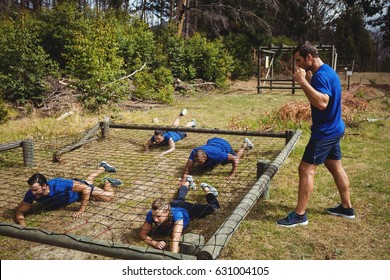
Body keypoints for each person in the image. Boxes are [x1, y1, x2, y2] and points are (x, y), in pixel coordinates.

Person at [277, 42, 355, 227]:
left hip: (325, 133)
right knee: (335, 166)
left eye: (299, 60)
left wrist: (303, 82)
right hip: (335, 128)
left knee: (306, 169)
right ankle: (346, 208)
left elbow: (322, 103)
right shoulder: (327, 71)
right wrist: (310, 81)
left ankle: (300, 215)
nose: (298, 65)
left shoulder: (321, 76)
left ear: (309, 57)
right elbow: (322, 94)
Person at [15, 161, 122, 227]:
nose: (33, 192)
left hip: (80, 191)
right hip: (75, 190)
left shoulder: (59, 184)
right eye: (31, 189)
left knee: (109, 197)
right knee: (88, 181)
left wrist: (81, 210)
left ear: (45, 186)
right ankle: (103, 167)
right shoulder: (31, 194)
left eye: (35, 189)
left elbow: (86, 189)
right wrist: (23, 225)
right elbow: (20, 211)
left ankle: (107, 181)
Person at [139, 179, 219, 253]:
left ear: (167, 212)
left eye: (158, 216)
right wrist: (154, 243)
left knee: (213, 207)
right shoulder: (152, 213)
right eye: (154, 216)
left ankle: (208, 190)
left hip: (186, 209)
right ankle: (188, 182)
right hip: (173, 205)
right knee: (180, 198)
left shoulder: (177, 215)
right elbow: (142, 234)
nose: (155, 219)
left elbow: (175, 239)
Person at [180, 137, 254, 183]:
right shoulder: (195, 152)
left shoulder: (217, 155)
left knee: (237, 157)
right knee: (202, 167)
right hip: (213, 141)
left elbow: (234, 159)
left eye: (199, 161)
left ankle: (245, 144)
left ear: (205, 157)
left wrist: (232, 174)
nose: (197, 163)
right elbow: (188, 167)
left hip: (224, 145)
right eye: (196, 161)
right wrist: (184, 177)